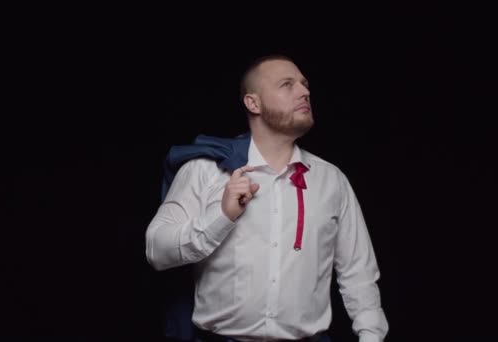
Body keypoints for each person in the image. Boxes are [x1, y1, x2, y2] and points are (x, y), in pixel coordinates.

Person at [145, 54, 389, 342]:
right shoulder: (204, 170)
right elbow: (156, 251)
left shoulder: (331, 180)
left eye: (304, 84)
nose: (304, 92)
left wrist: (371, 337)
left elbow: (358, 273)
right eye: (287, 84)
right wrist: (221, 217)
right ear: (253, 103)